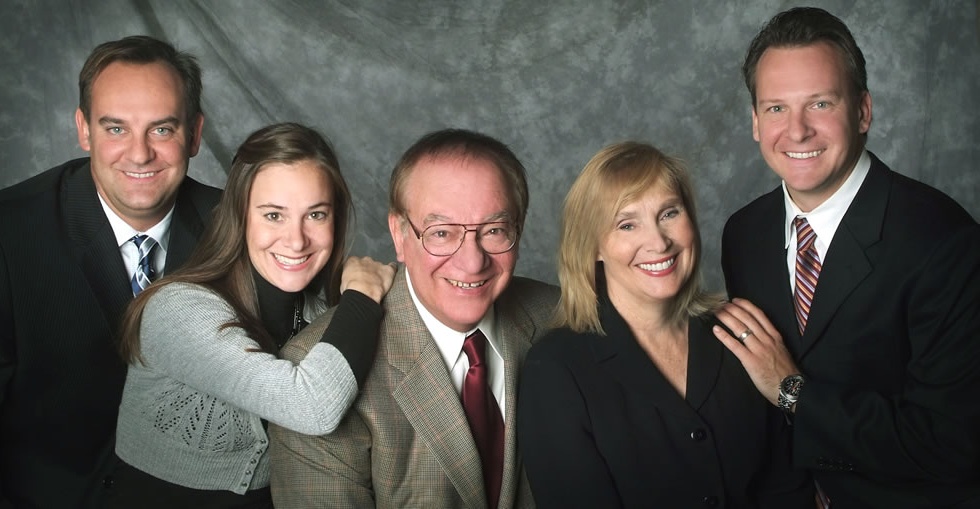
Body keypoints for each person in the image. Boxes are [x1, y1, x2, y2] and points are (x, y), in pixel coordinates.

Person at [713, 7, 980, 508]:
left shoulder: (944, 240)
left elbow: (951, 442)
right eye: (775, 108)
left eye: (819, 104)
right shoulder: (743, 234)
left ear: (863, 111)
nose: (796, 131)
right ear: (754, 121)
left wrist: (793, 390)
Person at [0, 36, 222, 508]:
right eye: (115, 129)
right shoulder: (0, 238)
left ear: (194, 134)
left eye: (161, 130)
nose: (138, 154)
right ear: (84, 130)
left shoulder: (242, 231)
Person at [105, 123, 394, 508]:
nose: (296, 240)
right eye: (274, 215)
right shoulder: (178, 310)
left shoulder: (321, 312)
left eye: (316, 215)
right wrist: (363, 293)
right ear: (240, 217)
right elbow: (313, 407)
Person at [268, 128, 558, 508]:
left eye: (493, 230)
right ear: (399, 234)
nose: (472, 261)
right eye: (441, 233)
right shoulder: (313, 372)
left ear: (517, 231)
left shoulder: (562, 317)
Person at [518, 142, 812, 508]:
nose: (658, 242)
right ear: (593, 246)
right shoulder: (557, 369)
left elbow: (787, 489)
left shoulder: (739, 334)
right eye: (627, 224)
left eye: (669, 213)